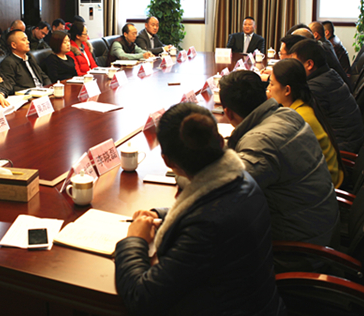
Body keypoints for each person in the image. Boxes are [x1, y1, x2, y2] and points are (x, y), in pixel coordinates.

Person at [114, 102, 286, 316]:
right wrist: (162, 215)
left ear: (167, 161)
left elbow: (141, 298)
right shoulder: (242, 178)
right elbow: (212, 206)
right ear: (220, 142)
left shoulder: (205, 230)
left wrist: (134, 240)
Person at [219, 70, 338, 245]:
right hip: (319, 224)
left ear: (228, 113)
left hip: (298, 248)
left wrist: (185, 168)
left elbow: (223, 193)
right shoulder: (288, 114)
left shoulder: (260, 143)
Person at [267, 58, 344, 187]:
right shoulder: (303, 104)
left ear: (287, 90)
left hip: (324, 185)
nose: (268, 89)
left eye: (271, 84)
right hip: (325, 175)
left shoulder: (297, 118)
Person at [290, 39, 364, 156]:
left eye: (295, 64)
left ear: (309, 64)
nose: (292, 69)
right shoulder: (330, 74)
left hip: (340, 151)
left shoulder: (315, 88)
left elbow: (295, 122)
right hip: (348, 141)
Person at [308, 21, 352, 87]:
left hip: (340, 84)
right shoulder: (328, 43)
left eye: (309, 33)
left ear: (315, 35)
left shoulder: (323, 48)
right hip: (342, 82)